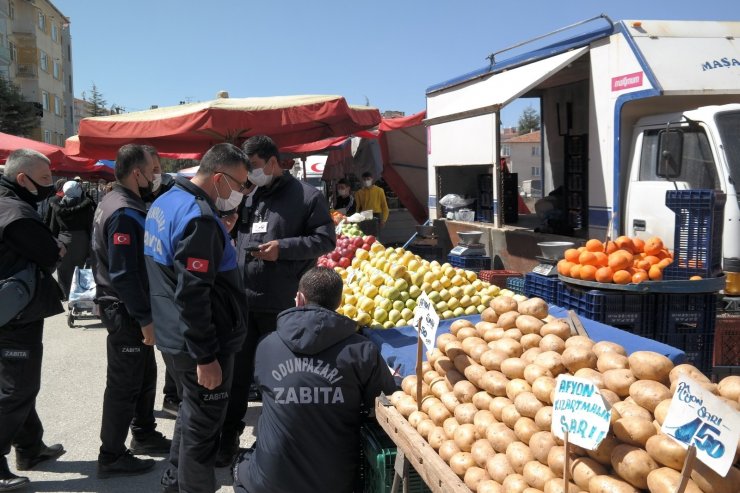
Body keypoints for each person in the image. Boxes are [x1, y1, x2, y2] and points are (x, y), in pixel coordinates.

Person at [220, 135, 336, 466]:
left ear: (272, 162)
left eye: (254, 167)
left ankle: (280, 445)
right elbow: (238, 232)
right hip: (243, 301)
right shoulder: (248, 194)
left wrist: (282, 249)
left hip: (281, 303)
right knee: (238, 377)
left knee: (280, 377)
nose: (249, 174)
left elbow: (325, 240)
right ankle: (227, 440)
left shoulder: (307, 196)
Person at [232, 267, 397, 493]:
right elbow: (385, 401)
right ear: (339, 302)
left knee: (244, 461)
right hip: (337, 483)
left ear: (299, 299)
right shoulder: (362, 350)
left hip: (270, 483)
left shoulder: (267, 345)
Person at [144, 143, 249, 493]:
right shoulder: (199, 218)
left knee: (192, 416)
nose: (241, 193)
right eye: (239, 184)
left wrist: (220, 234)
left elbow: (177, 270)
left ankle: (174, 482)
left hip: (174, 335)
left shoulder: (166, 201)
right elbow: (193, 293)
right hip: (201, 343)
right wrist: (206, 356)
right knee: (204, 432)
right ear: (218, 178)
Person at [91, 144, 170, 479]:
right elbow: (124, 273)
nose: (156, 176)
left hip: (129, 307)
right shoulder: (123, 210)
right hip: (125, 309)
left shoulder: (118, 200)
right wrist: (145, 318)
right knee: (124, 384)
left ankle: (143, 432)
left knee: (144, 373)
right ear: (136, 172)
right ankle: (111, 455)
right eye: (153, 170)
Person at [0, 149, 66, 491]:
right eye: (43, 180)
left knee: (19, 384)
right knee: (17, 388)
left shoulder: (8, 202)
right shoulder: (16, 211)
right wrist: (55, 247)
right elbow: (50, 252)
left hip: (14, 309)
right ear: (21, 178)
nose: (50, 186)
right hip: (15, 315)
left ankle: (30, 448)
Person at [142, 145, 180, 418]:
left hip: (162, 284)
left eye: (160, 168)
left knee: (169, 348)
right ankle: (141, 424)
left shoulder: (168, 194)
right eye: (153, 169)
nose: (159, 174)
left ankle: (171, 396)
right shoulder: (130, 202)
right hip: (145, 288)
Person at [47, 180, 96, 300]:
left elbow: (53, 226)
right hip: (82, 241)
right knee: (79, 270)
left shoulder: (57, 205)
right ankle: (77, 296)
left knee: (63, 271)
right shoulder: (86, 205)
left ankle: (66, 295)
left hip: (63, 239)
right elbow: (90, 225)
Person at [353, 171, 389, 235]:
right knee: (365, 237)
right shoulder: (359, 193)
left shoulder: (379, 191)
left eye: (368, 179)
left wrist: (384, 220)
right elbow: (358, 208)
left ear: (372, 179)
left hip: (376, 216)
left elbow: (384, 207)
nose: (366, 181)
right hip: (364, 216)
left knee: (375, 238)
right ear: (362, 181)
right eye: (364, 179)